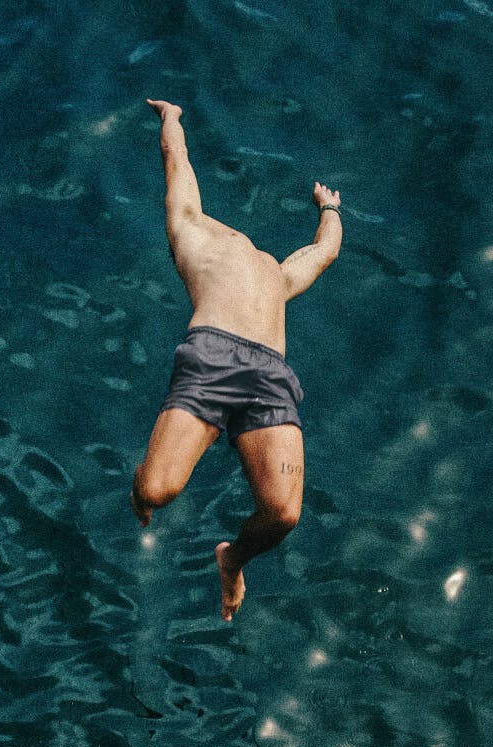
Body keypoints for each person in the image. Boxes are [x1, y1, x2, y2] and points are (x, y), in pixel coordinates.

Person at [130, 99, 342, 621]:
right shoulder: (191, 232)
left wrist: (329, 209)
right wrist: (172, 120)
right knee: (158, 489)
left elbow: (323, 252)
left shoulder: (276, 273)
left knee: (283, 512)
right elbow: (177, 166)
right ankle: (141, 484)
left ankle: (233, 559)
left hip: (271, 373)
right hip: (212, 355)